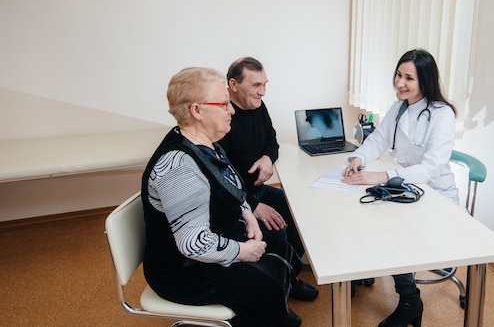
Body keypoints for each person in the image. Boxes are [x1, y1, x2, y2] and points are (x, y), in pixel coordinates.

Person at [141, 67, 305, 327]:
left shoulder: (206, 144)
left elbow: (230, 185)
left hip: (213, 240)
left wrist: (249, 215)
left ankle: (273, 312)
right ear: (196, 111)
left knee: (282, 249)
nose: (231, 111)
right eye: (224, 104)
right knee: (264, 287)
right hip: (182, 270)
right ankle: (271, 314)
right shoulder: (179, 167)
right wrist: (243, 251)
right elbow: (193, 243)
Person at [341, 48, 458, 327]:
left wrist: (384, 175)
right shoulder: (398, 107)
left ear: (425, 81)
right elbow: (378, 140)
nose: (400, 83)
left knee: (393, 232)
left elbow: (431, 169)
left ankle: (409, 301)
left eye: (409, 78)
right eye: (398, 75)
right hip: (407, 189)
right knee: (366, 213)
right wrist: (359, 158)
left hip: (436, 195)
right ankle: (362, 273)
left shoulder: (442, 114)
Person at [218, 57, 317, 301]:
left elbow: (272, 140)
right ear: (233, 84)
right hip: (236, 201)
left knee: (299, 210)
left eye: (265, 84)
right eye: (256, 85)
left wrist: (266, 158)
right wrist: (252, 205)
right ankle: (277, 293)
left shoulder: (258, 106)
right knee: (277, 226)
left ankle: (289, 276)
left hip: (258, 191)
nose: (263, 91)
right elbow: (219, 179)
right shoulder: (222, 120)